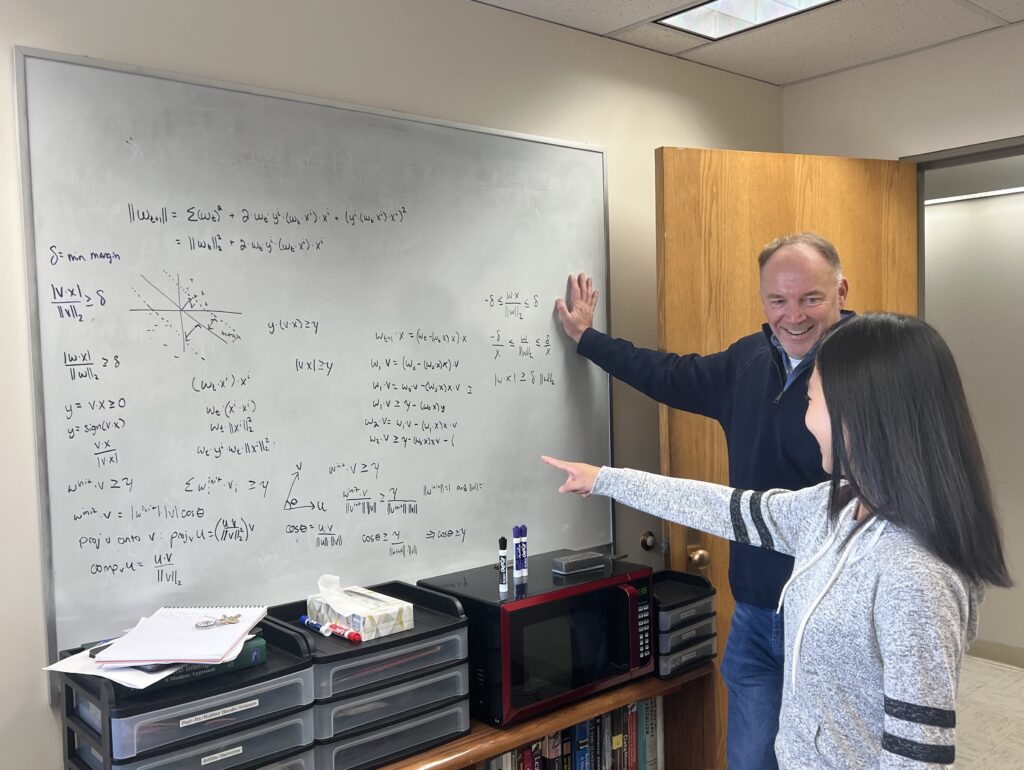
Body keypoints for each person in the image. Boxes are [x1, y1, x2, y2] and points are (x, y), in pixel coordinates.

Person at [544, 312, 1012, 768]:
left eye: (811, 401)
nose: (806, 421)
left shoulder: (915, 573)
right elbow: (721, 506)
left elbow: (917, 758)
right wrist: (604, 478)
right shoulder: (836, 508)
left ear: (859, 412)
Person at [555, 232, 849, 768]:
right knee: (750, 760)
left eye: (811, 298)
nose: (794, 316)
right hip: (758, 612)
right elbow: (668, 374)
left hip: (832, 618)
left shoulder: (868, 371)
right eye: (778, 300)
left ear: (841, 291)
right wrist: (587, 340)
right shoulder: (747, 361)